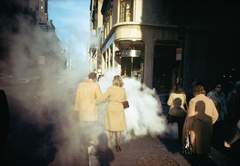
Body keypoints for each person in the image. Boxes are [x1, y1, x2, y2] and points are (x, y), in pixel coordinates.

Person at [74, 72, 103, 164]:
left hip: (82, 115)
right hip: (92, 115)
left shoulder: (80, 85)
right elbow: (100, 99)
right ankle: (91, 156)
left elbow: (77, 99)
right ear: (94, 78)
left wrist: (76, 111)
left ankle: (84, 153)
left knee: (84, 135)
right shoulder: (95, 85)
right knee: (92, 135)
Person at [183, 85, 218, 158]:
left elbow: (190, 116)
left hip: (196, 126)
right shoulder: (210, 100)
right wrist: (210, 122)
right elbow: (216, 115)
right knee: (205, 146)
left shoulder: (193, 100)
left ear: (195, 92)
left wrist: (187, 129)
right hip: (208, 126)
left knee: (196, 147)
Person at [102, 75, 127, 152]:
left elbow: (103, 97)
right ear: (120, 81)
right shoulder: (123, 90)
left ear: (113, 81)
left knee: (110, 128)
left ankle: (109, 146)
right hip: (119, 108)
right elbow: (125, 99)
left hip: (111, 108)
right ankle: (118, 145)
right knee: (118, 129)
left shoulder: (110, 89)